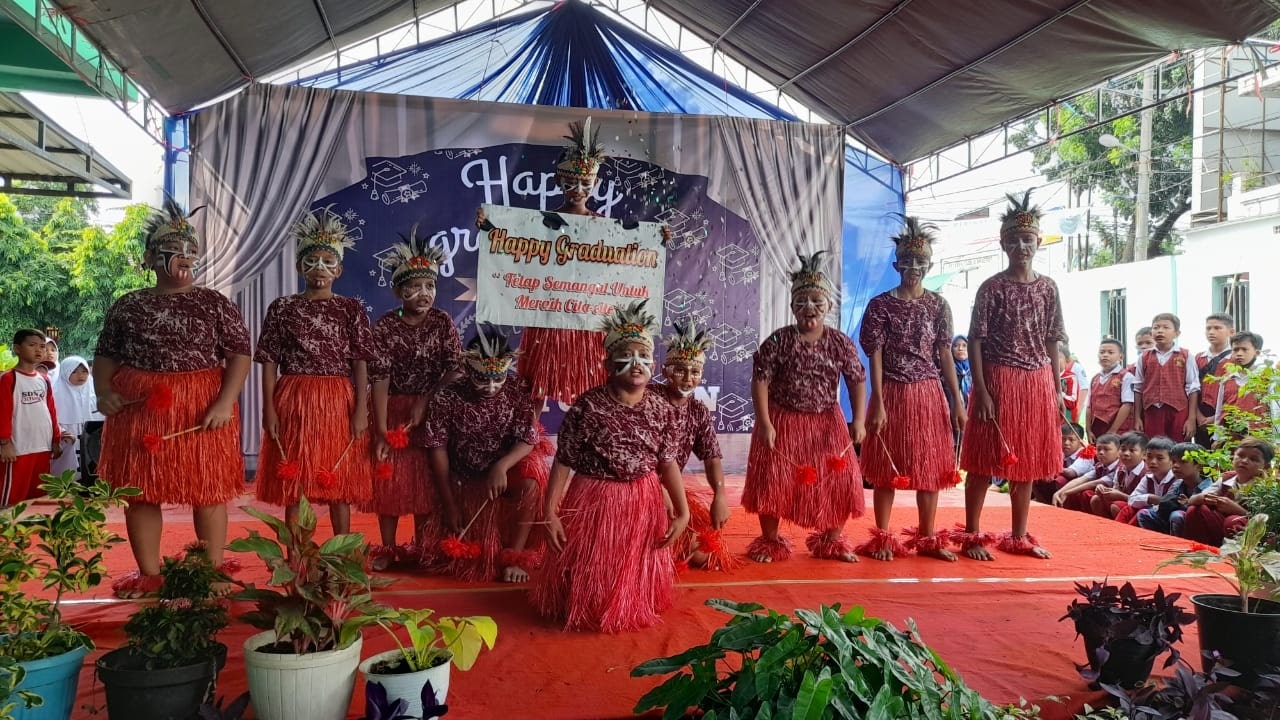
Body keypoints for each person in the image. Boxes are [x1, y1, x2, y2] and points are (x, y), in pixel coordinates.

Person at [93, 202, 252, 597]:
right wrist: (103, 391)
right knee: (141, 491)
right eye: (172, 247)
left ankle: (211, 568)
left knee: (209, 489)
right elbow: (106, 356)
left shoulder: (214, 302)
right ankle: (149, 574)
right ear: (150, 257)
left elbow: (239, 355)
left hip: (203, 407)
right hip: (142, 409)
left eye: (189, 248)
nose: (184, 255)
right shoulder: (128, 305)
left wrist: (224, 401)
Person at [532, 300, 690, 632]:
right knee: (592, 563)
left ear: (653, 363)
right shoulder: (588, 405)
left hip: (642, 500)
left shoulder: (663, 409)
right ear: (607, 363)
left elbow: (667, 462)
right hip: (595, 497)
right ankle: (588, 604)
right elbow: (564, 460)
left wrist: (682, 510)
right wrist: (550, 509)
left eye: (643, 356)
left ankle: (632, 600)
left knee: (636, 560)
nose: (637, 363)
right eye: (627, 355)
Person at [956, 190, 1066, 560]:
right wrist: (982, 391)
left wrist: (1053, 386)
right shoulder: (992, 287)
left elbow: (1053, 338)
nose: (1022, 245)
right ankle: (972, 534)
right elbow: (975, 342)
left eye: (1028, 239)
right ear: (1004, 244)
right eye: (1015, 239)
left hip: (1036, 380)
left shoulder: (1048, 287)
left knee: (1028, 463)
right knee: (984, 461)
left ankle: (1019, 536)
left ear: (1038, 243)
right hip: (999, 379)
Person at [254, 207, 376, 535]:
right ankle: (298, 556)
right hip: (293, 397)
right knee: (296, 483)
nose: (319, 268)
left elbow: (361, 362)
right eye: (311, 261)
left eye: (327, 261)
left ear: (339, 269)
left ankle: (343, 556)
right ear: (299, 266)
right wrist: (269, 408)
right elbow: (269, 362)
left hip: (337, 400)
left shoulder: (350, 309)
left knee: (339, 481)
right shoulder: (282, 307)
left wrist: (361, 410)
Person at [743, 251, 866, 564]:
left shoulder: (840, 343)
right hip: (783, 418)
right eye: (802, 301)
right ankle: (770, 541)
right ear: (792, 307)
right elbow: (760, 381)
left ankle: (831, 541)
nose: (809, 307)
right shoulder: (778, 341)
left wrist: (859, 421)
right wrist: (766, 423)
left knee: (841, 478)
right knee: (774, 479)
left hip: (827, 420)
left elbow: (856, 381)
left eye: (816, 300)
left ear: (828, 306)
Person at [858, 216, 965, 562]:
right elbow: (873, 354)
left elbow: (944, 353)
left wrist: (957, 399)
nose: (914, 267)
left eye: (921, 262)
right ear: (896, 264)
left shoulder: (938, 305)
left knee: (930, 467)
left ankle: (928, 536)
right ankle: (883, 537)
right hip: (891, 389)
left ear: (930, 264)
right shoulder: (880, 305)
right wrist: (878, 401)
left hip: (929, 392)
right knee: (887, 468)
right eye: (908, 261)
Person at [422, 325, 552, 583]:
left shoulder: (516, 391)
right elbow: (437, 450)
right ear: (468, 370)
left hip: (502, 471)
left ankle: (514, 557)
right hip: (464, 476)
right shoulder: (447, 397)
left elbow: (528, 439)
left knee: (532, 478)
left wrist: (502, 466)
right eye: (482, 379)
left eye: (498, 378)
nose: (491, 387)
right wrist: (450, 504)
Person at [365, 229, 460, 570]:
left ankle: (423, 548)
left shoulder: (442, 322)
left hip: (432, 414)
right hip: (392, 408)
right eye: (415, 287)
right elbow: (379, 378)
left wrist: (428, 401)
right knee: (390, 481)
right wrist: (380, 430)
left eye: (430, 286)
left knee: (424, 483)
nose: (424, 294)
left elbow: (453, 369)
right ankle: (388, 549)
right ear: (398, 291)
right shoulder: (386, 326)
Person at [652, 321, 733, 570]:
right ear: (665, 371)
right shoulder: (649, 399)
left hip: (672, 493)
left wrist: (720, 494)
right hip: (639, 487)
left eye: (695, 372)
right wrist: (655, 490)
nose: (688, 379)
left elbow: (712, 457)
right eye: (681, 371)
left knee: (704, 554)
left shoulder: (698, 410)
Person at [1, 329, 61, 506]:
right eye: (32, 345)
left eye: (42, 346)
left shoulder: (44, 379)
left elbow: (51, 411)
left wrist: (56, 439)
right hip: (18, 448)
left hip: (42, 446)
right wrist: (5, 443)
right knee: (12, 498)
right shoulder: (8, 378)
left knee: (39, 496)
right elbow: (3, 411)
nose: (39, 350)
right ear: (17, 348)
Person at [1182, 437, 1274, 545]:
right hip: (1220, 530)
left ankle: (1233, 557)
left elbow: (1266, 523)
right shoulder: (1227, 478)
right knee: (1195, 510)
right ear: (1233, 456)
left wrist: (1237, 510)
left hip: (1248, 536)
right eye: (1240, 455)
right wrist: (1202, 498)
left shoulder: (1266, 488)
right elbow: (1191, 500)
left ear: (1266, 467)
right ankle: (1201, 549)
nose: (1244, 461)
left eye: (1253, 459)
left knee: (1233, 521)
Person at [1133, 313, 1200, 442]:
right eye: (1156, 327)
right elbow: (1138, 388)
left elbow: (1193, 388)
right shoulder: (1145, 356)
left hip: (1178, 410)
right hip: (1151, 411)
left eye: (1165, 327)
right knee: (1153, 447)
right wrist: (1137, 417)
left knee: (1177, 449)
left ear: (1176, 333)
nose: (1160, 331)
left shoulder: (1185, 355)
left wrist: (1191, 419)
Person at [1136, 441, 1205, 535]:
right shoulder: (1177, 484)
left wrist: (1187, 504)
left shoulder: (1208, 487)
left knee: (1177, 516)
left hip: (1198, 528)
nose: (1175, 466)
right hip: (1172, 522)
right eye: (1174, 461)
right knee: (1144, 514)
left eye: (1183, 461)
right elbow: (1164, 504)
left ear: (1199, 466)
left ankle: (1179, 544)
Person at [1212, 331, 1272, 439]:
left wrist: (1277, 441)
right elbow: (1219, 411)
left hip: (1259, 439)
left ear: (1257, 353)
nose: (1239, 353)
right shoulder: (1227, 379)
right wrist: (1217, 437)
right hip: (1230, 438)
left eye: (1244, 349)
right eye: (1235, 350)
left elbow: (1275, 409)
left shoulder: (1267, 377)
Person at [49, 356, 93, 480]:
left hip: (89, 433)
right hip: (67, 433)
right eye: (74, 371)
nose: (81, 375)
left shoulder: (93, 390)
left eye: (84, 371)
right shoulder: (55, 392)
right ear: (65, 372)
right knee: (67, 467)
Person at [1053, 433, 1122, 512]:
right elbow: (1083, 479)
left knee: (1088, 494)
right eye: (1098, 449)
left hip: (1124, 499)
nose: (1101, 452)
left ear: (1119, 452)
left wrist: (1066, 492)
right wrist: (1059, 492)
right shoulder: (1100, 466)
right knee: (1084, 492)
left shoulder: (1120, 467)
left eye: (1106, 449)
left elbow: (1094, 483)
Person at [1194, 314, 1235, 446]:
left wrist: (1216, 418)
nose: (1211, 332)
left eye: (1218, 328)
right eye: (1208, 328)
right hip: (1199, 413)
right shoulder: (1198, 358)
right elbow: (1191, 388)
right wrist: (1197, 415)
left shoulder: (1235, 359)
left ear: (1231, 332)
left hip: (1225, 415)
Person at [1090, 431, 1149, 520]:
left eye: (1132, 450)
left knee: (1116, 506)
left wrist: (1120, 495)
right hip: (1123, 502)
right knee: (1096, 499)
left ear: (1144, 454)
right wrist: (1104, 489)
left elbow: (1144, 501)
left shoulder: (1146, 473)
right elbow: (1116, 488)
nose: (1126, 453)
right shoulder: (1121, 469)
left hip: (1139, 507)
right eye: (1123, 449)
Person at [1032, 423, 1093, 505]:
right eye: (1063, 439)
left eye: (1071, 440)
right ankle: (1043, 502)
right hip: (1063, 480)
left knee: (1060, 480)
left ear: (1081, 442)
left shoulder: (1087, 453)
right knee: (1038, 475)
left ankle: (1062, 505)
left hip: (1079, 485)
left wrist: (1052, 470)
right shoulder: (1059, 450)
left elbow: (1071, 473)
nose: (1066, 443)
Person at [1087, 338, 1135, 441]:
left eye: (1110, 352)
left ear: (1121, 357)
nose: (1105, 355)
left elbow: (1127, 405)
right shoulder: (1094, 379)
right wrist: (1088, 430)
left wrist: (1113, 430)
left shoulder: (1126, 376)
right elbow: (1089, 406)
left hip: (1117, 428)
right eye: (1102, 352)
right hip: (1096, 428)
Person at [1123, 436, 1178, 525]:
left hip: (1166, 519)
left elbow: (1169, 504)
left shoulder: (1176, 479)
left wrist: (1151, 502)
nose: (1152, 462)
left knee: (1143, 512)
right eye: (1149, 456)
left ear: (1172, 461)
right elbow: (1131, 500)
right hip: (1150, 514)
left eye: (1160, 458)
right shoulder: (1148, 478)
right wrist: (1150, 498)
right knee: (1128, 510)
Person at [1059, 343, 1088, 424]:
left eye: (1059, 357)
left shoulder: (1072, 375)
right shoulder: (1047, 377)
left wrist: (1060, 394)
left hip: (1066, 417)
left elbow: (1073, 401)